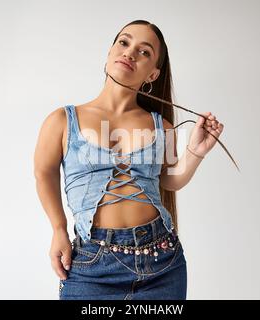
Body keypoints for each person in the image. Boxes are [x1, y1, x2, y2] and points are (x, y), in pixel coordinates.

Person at [34, 20, 224, 300]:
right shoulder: (62, 120)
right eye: (124, 42)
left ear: (153, 74)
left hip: (163, 261)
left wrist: (196, 151)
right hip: (91, 264)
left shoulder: (163, 126)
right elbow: (44, 172)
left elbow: (169, 181)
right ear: (110, 52)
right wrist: (58, 229)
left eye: (144, 52)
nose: (130, 53)